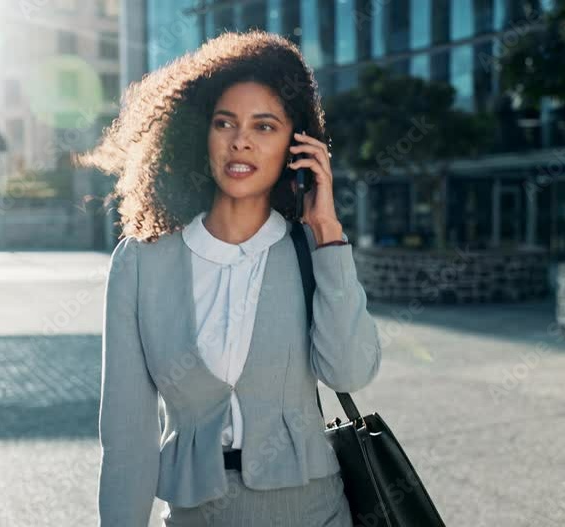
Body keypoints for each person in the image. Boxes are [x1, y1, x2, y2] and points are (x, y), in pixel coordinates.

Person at [79, 30, 382, 526]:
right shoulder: (141, 263)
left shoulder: (310, 251)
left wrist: (328, 233)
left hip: (315, 513)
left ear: (295, 145)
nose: (241, 140)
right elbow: (126, 434)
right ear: (201, 132)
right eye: (226, 123)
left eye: (265, 127)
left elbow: (350, 372)